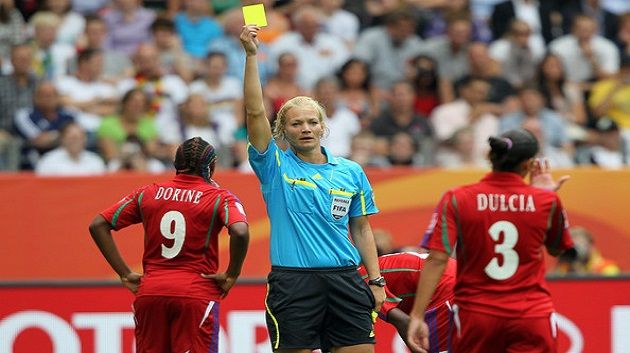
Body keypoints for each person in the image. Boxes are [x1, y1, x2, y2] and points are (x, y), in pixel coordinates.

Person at [240, 25, 385, 353]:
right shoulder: (274, 167)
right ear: (283, 130)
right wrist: (251, 56)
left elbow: (361, 228)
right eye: (295, 123)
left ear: (323, 126)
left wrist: (375, 280)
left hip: (346, 280)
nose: (305, 129)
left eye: (312, 122)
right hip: (294, 283)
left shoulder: (351, 171)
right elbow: (253, 112)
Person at [407, 129, 575, 353]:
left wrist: (417, 315)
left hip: (476, 316)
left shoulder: (458, 198)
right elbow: (556, 249)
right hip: (531, 314)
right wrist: (541, 194)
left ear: (490, 157)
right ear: (528, 165)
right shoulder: (547, 200)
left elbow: (437, 258)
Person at [89, 136, 250, 353]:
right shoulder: (221, 198)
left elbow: (98, 224)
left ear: (176, 164)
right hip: (195, 293)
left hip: (151, 292)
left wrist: (125, 273)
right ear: (211, 167)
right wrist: (232, 274)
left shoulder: (148, 193)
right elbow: (240, 231)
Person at [358, 252, 456, 353]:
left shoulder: (357, 289)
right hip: (449, 271)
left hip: (442, 284)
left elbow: (404, 322)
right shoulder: (362, 276)